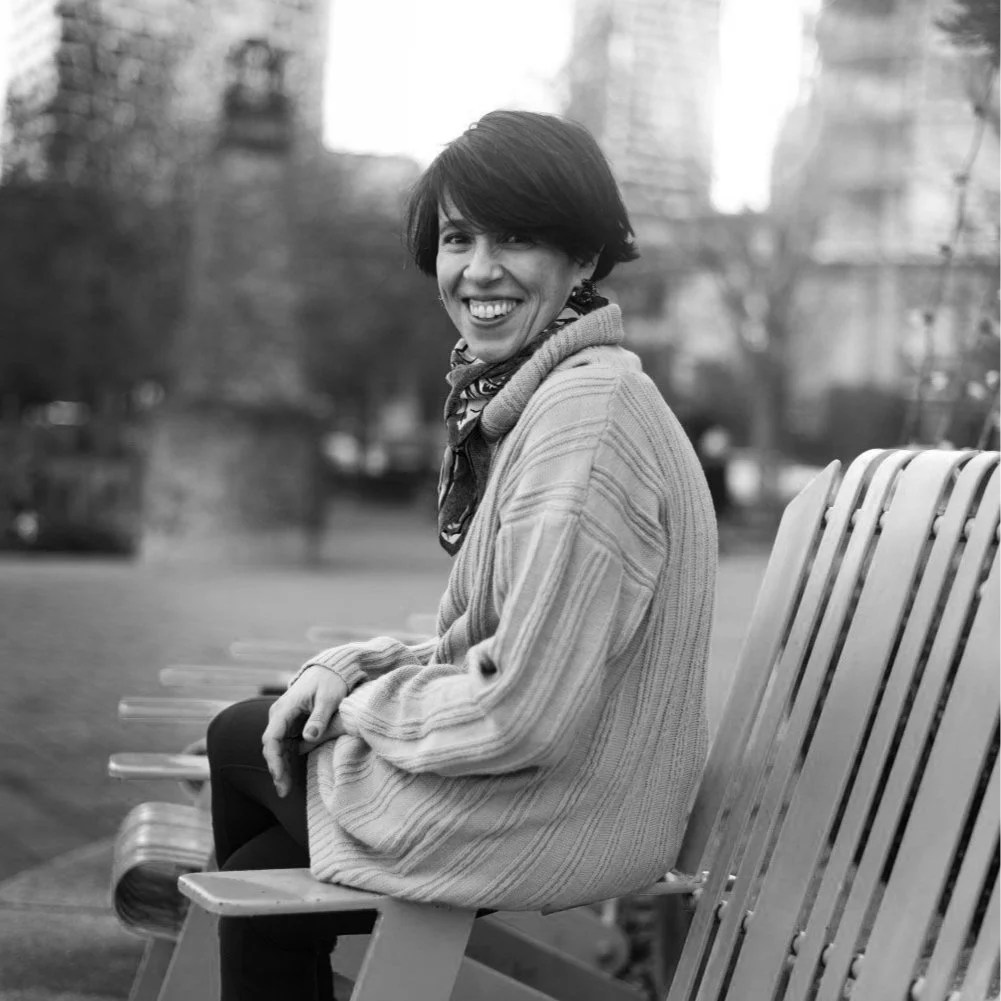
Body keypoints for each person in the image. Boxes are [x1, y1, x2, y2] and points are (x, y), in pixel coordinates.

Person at [206, 109, 718, 1001]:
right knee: (260, 877)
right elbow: (509, 640)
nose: (478, 269)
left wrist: (356, 707)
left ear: (583, 257)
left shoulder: (584, 425)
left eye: (515, 237)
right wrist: (352, 666)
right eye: (457, 238)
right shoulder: (556, 396)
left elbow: (520, 712)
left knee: (244, 737)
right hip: (567, 788)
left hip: (558, 808)